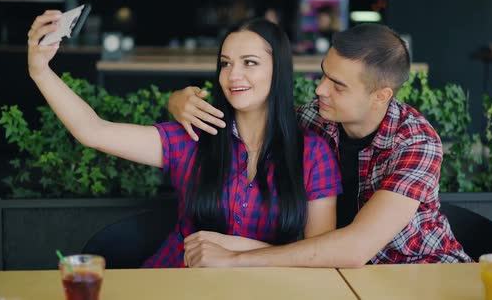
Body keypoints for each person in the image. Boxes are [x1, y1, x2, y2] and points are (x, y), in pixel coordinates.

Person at [26, 11, 341, 268]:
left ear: (279, 70)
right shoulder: (194, 136)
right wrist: (40, 71)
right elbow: (93, 131)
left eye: (250, 63)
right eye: (226, 63)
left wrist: (237, 251)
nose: (233, 75)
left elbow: (318, 255)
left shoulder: (312, 153)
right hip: (175, 284)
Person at [170, 23, 473, 268]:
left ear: (380, 96)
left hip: (424, 271)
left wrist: (237, 259)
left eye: (338, 85)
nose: (320, 89)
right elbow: (255, 118)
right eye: (324, 74)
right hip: (339, 275)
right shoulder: (313, 118)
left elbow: (355, 248)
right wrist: (178, 102)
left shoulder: (416, 143)